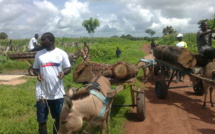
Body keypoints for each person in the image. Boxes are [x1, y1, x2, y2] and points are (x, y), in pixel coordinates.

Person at [33, 32, 71, 134]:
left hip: (57, 93)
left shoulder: (61, 53)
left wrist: (63, 73)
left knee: (58, 119)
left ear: (50, 40)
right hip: (42, 93)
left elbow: (68, 68)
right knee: (41, 121)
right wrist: (37, 74)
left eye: (43, 39)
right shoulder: (39, 54)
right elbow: (35, 69)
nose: (41, 42)